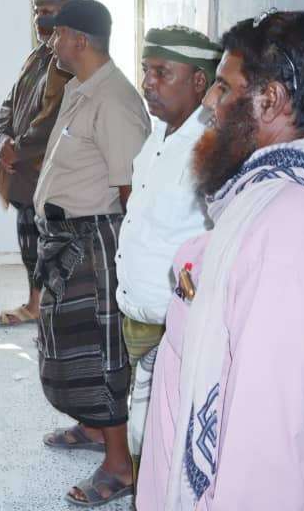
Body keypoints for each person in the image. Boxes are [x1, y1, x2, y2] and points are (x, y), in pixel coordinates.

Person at [138, 12, 304, 510]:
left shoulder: (290, 229)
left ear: (270, 100)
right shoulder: (291, 200)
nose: (209, 105)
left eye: (223, 87)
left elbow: (263, 447)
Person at [32, 0, 150, 506]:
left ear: (80, 39)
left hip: (97, 244)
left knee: (102, 353)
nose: (52, 41)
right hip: (69, 242)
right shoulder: (80, 88)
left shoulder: (115, 100)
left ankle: (120, 466)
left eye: (58, 34)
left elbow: (132, 192)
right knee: (70, 345)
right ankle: (94, 426)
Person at [115, 26, 220, 488]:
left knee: (170, 438)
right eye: (146, 70)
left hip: (175, 328)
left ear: (199, 81)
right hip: (139, 317)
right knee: (143, 430)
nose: (148, 83)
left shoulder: (211, 148)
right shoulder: (157, 135)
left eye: (162, 72)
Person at [0, 0, 75, 327]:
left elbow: (52, 119)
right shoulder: (37, 56)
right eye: (38, 12)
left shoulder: (67, 64)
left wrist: (18, 150)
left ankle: (43, 307)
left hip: (46, 172)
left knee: (49, 244)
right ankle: (35, 304)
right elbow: (8, 104)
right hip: (22, 170)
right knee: (29, 241)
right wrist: (2, 141)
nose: (41, 18)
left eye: (49, 12)